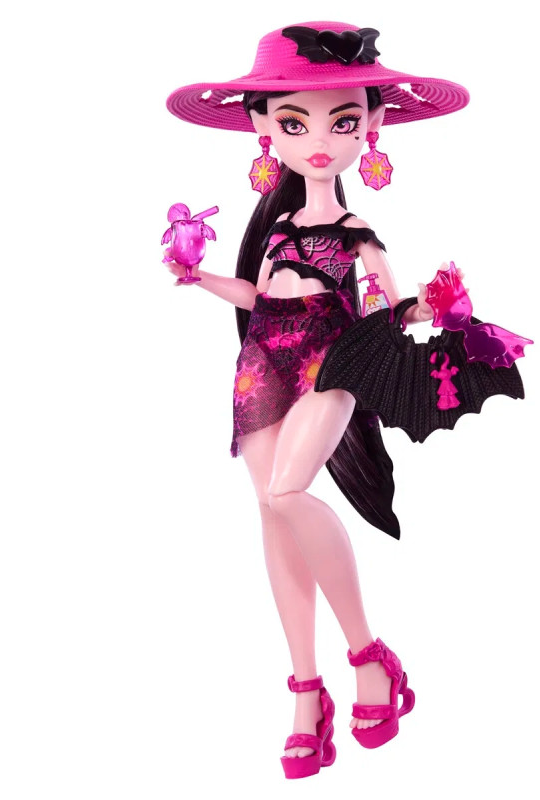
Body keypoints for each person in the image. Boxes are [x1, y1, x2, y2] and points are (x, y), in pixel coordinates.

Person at [166, 21, 471, 779]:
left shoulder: (356, 228)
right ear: (264, 129)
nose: (322, 142)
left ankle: (368, 655)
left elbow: (392, 307)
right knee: (271, 511)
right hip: (260, 363)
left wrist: (433, 306)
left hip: (331, 361)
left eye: (343, 121)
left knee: (287, 492)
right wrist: (198, 278)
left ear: (371, 124)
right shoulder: (275, 229)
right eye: (296, 123)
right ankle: (306, 691)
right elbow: (257, 295)